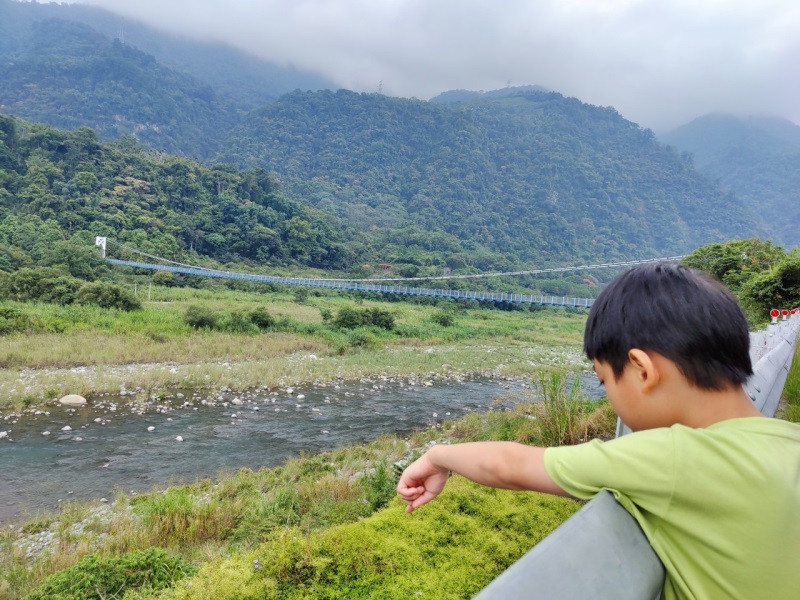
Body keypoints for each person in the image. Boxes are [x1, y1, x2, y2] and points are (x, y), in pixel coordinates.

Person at [397, 262, 800, 600]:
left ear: (643, 371)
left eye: (604, 381)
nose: (607, 395)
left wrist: (437, 456)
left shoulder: (672, 456)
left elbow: (512, 464)